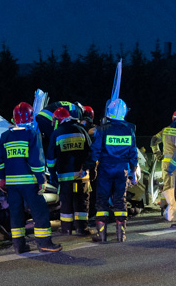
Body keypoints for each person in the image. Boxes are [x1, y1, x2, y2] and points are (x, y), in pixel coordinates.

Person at [0, 102, 62, 253]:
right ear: (30, 118)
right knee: (40, 211)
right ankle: (44, 243)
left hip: (11, 184)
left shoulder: (5, 136)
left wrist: (2, 178)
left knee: (16, 213)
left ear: (14, 119)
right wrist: (40, 179)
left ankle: (19, 246)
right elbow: (36, 161)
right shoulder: (32, 135)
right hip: (29, 182)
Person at [89, 97, 137, 243]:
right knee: (120, 200)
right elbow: (133, 153)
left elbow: (95, 151)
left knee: (102, 200)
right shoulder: (130, 129)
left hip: (105, 168)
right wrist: (133, 172)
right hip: (122, 169)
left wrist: (88, 166)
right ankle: (120, 235)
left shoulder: (102, 130)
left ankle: (101, 236)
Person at [47, 107, 93, 235]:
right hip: (81, 175)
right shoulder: (81, 130)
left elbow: (51, 157)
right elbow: (91, 152)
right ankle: (82, 229)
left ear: (58, 120)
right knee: (81, 202)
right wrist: (88, 168)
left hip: (64, 177)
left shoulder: (57, 133)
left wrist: (52, 173)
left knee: (66, 203)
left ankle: (66, 229)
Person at [150, 111, 176, 222]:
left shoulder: (165, 130)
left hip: (166, 162)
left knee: (168, 186)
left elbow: (153, 140)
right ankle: (175, 213)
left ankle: (166, 208)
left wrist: (157, 153)